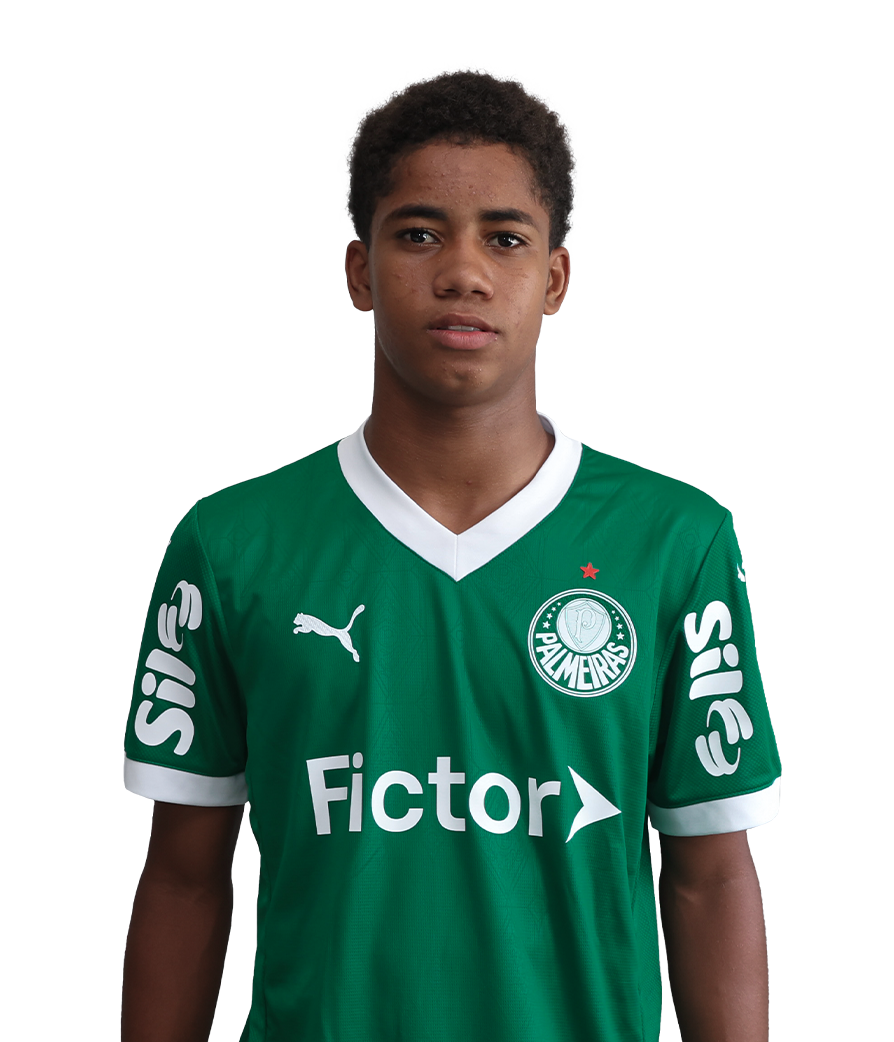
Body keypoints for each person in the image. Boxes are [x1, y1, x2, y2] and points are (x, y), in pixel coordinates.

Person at [121, 67, 781, 1042]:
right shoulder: (229, 546)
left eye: (505, 238)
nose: (464, 271)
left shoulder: (675, 543)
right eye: (420, 234)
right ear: (360, 272)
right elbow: (182, 875)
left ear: (554, 280)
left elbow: (711, 874)